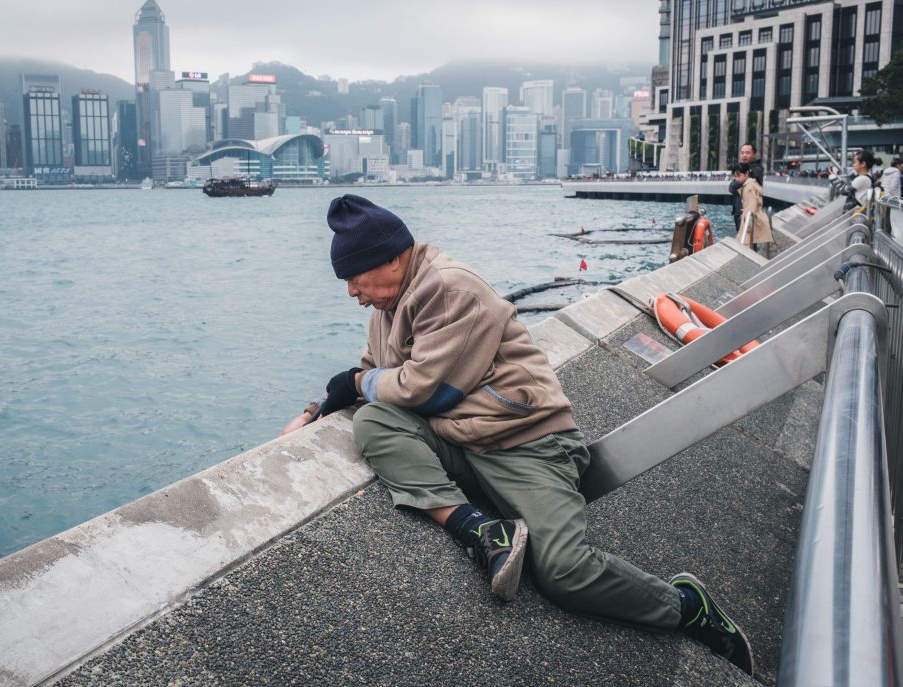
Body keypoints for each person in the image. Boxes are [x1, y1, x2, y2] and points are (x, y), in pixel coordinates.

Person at [282, 194, 755, 676]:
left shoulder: (447, 289)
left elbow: (429, 391)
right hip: (468, 441)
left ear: (391, 258)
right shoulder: (387, 307)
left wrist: (353, 383)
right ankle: (481, 531)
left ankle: (686, 607)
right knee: (373, 422)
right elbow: (373, 379)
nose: (352, 293)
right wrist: (319, 409)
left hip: (527, 445)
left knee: (566, 575)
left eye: (355, 279)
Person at [733, 162, 773, 250]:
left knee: (745, 246)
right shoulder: (752, 184)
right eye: (735, 176)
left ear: (746, 174)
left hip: (749, 221)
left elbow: (751, 206)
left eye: (738, 175)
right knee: (748, 246)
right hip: (752, 219)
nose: (736, 179)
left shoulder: (749, 187)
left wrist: (746, 220)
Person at [729, 144, 764, 232]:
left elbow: (733, 187)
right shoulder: (743, 168)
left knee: (748, 240)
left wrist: (735, 183)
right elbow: (732, 187)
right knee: (743, 240)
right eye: (742, 153)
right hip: (740, 210)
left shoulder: (756, 169)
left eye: (748, 153)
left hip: (748, 212)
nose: (744, 155)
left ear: (754, 154)